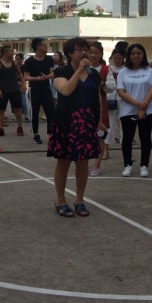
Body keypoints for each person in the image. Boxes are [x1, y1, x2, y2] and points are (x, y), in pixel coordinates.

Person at [48, 37, 102, 217]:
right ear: (70, 53)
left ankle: (79, 199)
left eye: (86, 49)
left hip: (86, 121)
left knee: (83, 162)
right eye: (80, 49)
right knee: (63, 162)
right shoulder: (61, 71)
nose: (84, 53)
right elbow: (65, 90)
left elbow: (96, 98)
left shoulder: (93, 73)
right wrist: (79, 70)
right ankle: (61, 200)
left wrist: (99, 119)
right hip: (66, 121)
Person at [116, 43, 152, 178]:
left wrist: (143, 106)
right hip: (127, 110)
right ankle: (127, 165)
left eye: (138, 53)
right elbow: (121, 92)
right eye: (132, 53)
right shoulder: (123, 72)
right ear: (128, 56)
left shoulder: (149, 71)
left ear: (143, 54)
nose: (135, 56)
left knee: (145, 138)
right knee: (127, 138)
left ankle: (144, 165)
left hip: (148, 109)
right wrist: (138, 105)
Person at [23, 38, 55, 145]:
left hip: (46, 88)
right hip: (34, 89)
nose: (46, 47)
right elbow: (26, 77)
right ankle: (36, 134)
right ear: (38, 47)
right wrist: (36, 78)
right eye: (44, 45)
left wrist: (46, 77)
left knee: (51, 111)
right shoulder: (29, 61)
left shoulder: (49, 59)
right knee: (34, 112)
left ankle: (51, 134)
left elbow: (52, 73)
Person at [87, 41, 113, 167]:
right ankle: (83, 162)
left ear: (101, 54)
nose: (93, 55)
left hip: (100, 104)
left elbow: (111, 88)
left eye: (96, 53)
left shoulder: (106, 69)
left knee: (100, 135)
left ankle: (96, 165)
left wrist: (102, 83)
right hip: (83, 104)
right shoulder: (81, 68)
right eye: (91, 52)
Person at [0, 45, 25, 137]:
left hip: (15, 89)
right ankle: (0, 129)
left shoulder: (15, 62)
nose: (13, 53)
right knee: (1, 110)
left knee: (18, 109)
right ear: (5, 53)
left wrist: (24, 84)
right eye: (11, 51)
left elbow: (20, 73)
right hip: (3, 90)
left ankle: (20, 127)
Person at [102, 47, 126, 169]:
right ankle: (105, 150)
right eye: (115, 58)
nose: (117, 60)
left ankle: (126, 151)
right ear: (111, 58)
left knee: (124, 126)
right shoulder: (107, 69)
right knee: (109, 126)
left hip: (124, 100)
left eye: (120, 58)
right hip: (110, 99)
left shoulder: (126, 69)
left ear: (123, 59)